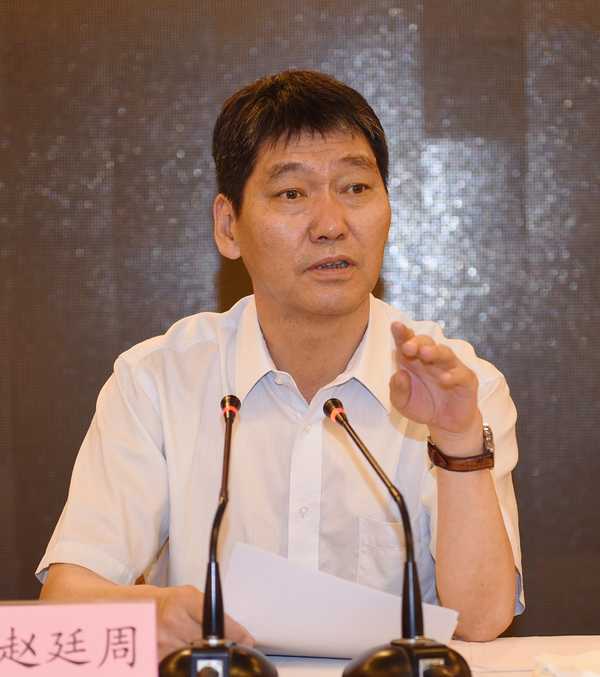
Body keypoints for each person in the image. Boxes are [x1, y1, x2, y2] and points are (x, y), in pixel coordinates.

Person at [37, 70, 523, 660]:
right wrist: (150, 615)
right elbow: (64, 603)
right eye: (292, 194)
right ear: (229, 227)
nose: (331, 225)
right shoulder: (157, 382)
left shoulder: (459, 386)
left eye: (356, 188)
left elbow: (481, 622)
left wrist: (458, 440)